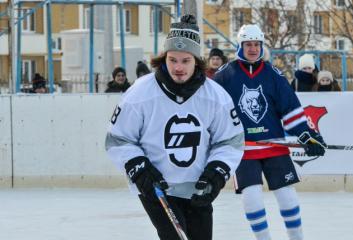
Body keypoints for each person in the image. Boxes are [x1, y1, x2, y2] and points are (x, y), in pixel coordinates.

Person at [105, 14, 244, 240]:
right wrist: (138, 168)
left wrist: (217, 172)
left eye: (185, 60)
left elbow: (230, 141)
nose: (178, 67)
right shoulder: (140, 93)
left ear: (197, 60)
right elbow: (118, 139)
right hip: (157, 187)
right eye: (173, 60)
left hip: (199, 186)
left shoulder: (216, 96)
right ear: (164, 59)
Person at [214, 24, 326, 240]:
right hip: (244, 150)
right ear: (241, 45)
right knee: (252, 197)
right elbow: (211, 110)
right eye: (249, 44)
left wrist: (307, 135)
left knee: (288, 198)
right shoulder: (225, 76)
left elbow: (290, 108)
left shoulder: (273, 74)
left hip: (275, 146)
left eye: (257, 44)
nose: (253, 49)